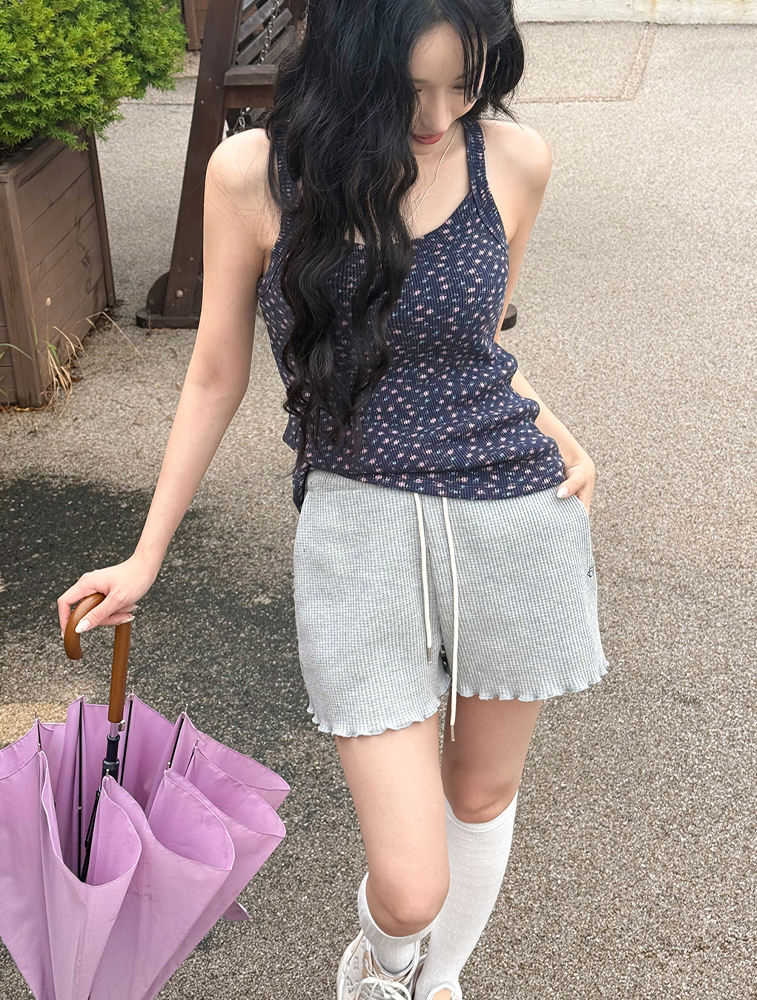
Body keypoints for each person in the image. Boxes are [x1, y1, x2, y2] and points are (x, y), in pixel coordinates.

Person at [58, 1, 610, 997]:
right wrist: (145, 554)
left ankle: (425, 986)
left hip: (514, 515)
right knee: (408, 884)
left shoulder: (514, 160)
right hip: (359, 529)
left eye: (464, 83)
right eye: (409, 90)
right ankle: (381, 964)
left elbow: (479, 342)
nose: (438, 116)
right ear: (352, 65)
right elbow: (215, 373)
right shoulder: (256, 174)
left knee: (481, 794)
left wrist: (556, 425)